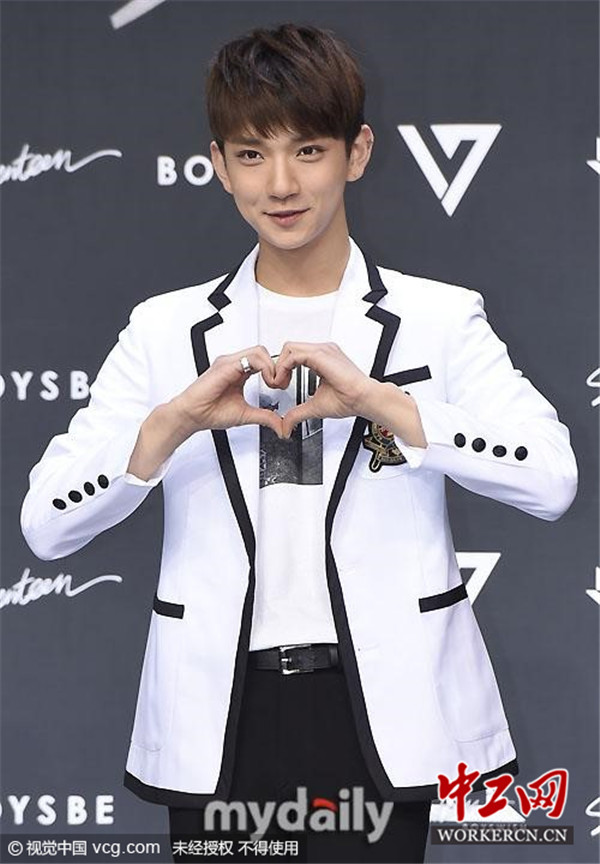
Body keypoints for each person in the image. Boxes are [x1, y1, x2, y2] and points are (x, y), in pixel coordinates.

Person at [21, 22, 577, 864]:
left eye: (308, 150)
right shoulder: (164, 330)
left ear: (358, 153)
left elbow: (550, 478)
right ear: (218, 165)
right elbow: (46, 526)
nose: (280, 184)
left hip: (381, 708)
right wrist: (168, 427)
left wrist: (390, 407)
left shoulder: (438, 316)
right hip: (220, 714)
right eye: (252, 155)